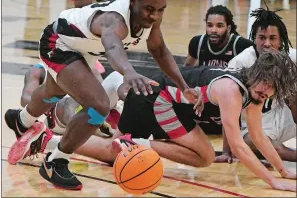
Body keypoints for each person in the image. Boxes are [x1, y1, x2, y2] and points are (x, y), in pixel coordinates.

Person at [5, 0, 203, 190]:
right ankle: (56, 160)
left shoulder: (151, 18)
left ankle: (21, 120)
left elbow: (159, 50)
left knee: (54, 90)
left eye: (160, 10)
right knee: (98, 106)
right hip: (59, 41)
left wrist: (183, 85)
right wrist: (128, 71)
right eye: (149, 9)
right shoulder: (115, 20)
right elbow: (112, 48)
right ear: (132, 1)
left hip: (83, 47)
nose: (154, 15)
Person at [10, 51, 297, 192]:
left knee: (202, 156)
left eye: (274, 89)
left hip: (170, 102)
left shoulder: (254, 93)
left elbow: (258, 137)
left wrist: (283, 171)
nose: (268, 91)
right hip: (155, 98)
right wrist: (271, 181)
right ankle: (128, 142)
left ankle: (48, 140)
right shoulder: (232, 90)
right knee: (122, 154)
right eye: (267, 84)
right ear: (257, 72)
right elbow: (237, 144)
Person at [215, 7, 297, 163]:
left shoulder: (290, 57)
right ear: (254, 38)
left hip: (284, 118)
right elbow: (225, 107)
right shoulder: (240, 64)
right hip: (254, 127)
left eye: (272, 38)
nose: (267, 43)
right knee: (255, 145)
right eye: (262, 37)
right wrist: (226, 151)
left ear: (280, 41)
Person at [184, 5, 253, 134]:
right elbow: (187, 72)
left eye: (219, 26)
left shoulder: (242, 46)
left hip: (231, 102)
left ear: (228, 28)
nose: (213, 30)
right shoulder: (197, 43)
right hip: (204, 99)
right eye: (210, 25)